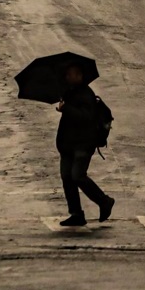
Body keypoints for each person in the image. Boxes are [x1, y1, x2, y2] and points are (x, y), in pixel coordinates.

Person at [55, 64, 114, 227]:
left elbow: (85, 117)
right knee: (67, 177)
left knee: (77, 175)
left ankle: (104, 201)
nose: (67, 77)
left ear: (79, 75)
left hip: (83, 143)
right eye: (66, 74)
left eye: (70, 74)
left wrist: (67, 108)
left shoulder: (86, 94)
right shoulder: (69, 92)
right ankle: (76, 214)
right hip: (67, 144)